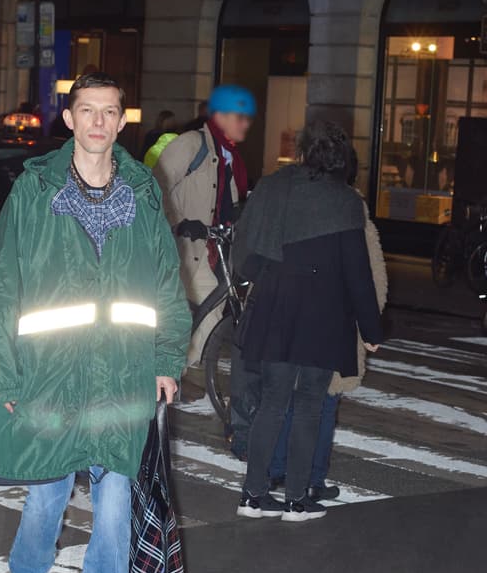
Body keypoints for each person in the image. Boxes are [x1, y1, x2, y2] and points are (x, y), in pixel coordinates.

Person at [0, 71, 191, 573]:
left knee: (114, 513)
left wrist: (167, 358)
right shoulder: (35, 191)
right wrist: (1, 374)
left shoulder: (145, 193)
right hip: (50, 379)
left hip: (122, 380)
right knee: (48, 497)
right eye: (86, 110)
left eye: (109, 112)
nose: (97, 122)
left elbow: (168, 289)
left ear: (123, 122)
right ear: (69, 119)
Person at [233, 121, 383, 523]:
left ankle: (252, 495)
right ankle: (297, 500)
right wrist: (371, 330)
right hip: (323, 313)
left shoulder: (275, 187)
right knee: (309, 405)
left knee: (271, 402)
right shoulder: (344, 201)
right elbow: (357, 272)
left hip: (276, 305)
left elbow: (248, 247)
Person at [268, 150, 389, 502]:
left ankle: (278, 470)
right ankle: (312, 479)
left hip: (290, 318)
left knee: (288, 398)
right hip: (333, 320)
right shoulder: (352, 209)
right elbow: (371, 274)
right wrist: (369, 326)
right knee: (322, 402)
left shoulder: (292, 203)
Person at [153, 83, 254, 366]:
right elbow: (156, 185)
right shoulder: (190, 143)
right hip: (181, 245)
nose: (245, 124)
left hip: (211, 246)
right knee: (200, 302)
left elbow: (229, 202)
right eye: (239, 117)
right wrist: (178, 223)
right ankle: (174, 366)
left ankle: (182, 365)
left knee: (213, 302)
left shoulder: (229, 155)